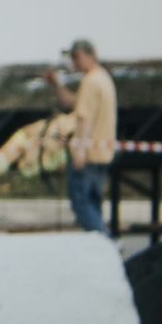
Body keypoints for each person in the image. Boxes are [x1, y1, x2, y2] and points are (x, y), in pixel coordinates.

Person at [42, 37, 117, 237]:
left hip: (89, 156)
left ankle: (106, 244)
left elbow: (85, 117)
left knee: (81, 204)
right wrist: (56, 84)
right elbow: (74, 103)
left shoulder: (91, 82)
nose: (73, 62)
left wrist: (80, 150)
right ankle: (102, 248)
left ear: (90, 55)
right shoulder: (102, 78)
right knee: (93, 204)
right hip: (103, 155)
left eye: (76, 56)